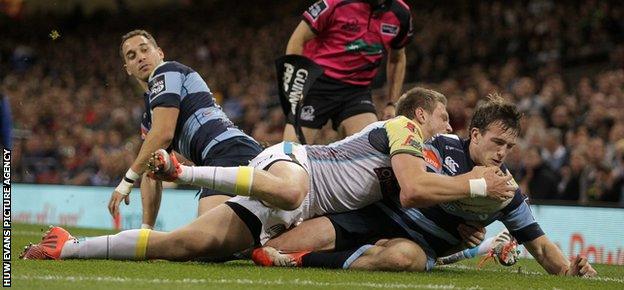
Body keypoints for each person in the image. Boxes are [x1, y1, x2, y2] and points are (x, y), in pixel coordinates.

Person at [21, 88, 515, 264]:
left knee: (187, 247)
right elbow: (413, 189)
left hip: (293, 205)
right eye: (443, 118)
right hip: (296, 167)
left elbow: (414, 208)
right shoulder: (405, 127)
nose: (447, 128)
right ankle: (187, 171)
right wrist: (478, 187)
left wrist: (471, 235)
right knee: (294, 189)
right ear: (421, 114)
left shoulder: (422, 158)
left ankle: (69, 246)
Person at [250, 95, 597, 277]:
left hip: (412, 246)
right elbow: (413, 188)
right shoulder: (439, 147)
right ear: (474, 135)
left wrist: (570, 270)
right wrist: (469, 193)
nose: (502, 153)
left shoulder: (506, 190)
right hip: (366, 218)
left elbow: (540, 247)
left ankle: (301, 263)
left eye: (509, 147)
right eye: (497, 142)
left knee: (404, 257)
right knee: (268, 248)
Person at [108, 30, 263, 228]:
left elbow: (163, 134)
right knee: (225, 239)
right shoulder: (149, 115)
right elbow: (151, 167)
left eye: (144, 49)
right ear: (127, 68)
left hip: (228, 152)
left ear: (160, 53)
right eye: (132, 56)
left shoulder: (166, 72)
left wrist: (126, 182)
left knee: (206, 240)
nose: (140, 57)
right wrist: (146, 231)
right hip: (220, 158)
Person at [280, 0, 413, 144]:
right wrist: (296, 88)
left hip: (356, 91)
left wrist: (392, 103)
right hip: (316, 84)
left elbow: (397, 58)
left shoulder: (401, 13)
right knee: (290, 151)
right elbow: (297, 40)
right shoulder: (333, 4)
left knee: (370, 147)